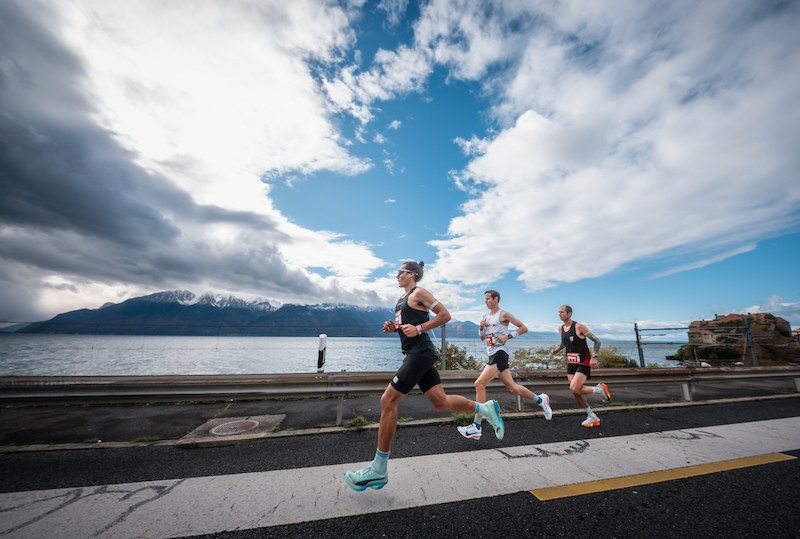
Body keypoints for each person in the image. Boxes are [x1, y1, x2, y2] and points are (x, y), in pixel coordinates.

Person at [344, 261, 506, 492]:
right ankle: (485, 409)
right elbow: (409, 326)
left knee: (387, 401)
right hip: (416, 353)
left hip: (420, 354)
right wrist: (395, 329)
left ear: (411, 274)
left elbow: (445, 315)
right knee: (441, 402)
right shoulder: (402, 300)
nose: (396, 276)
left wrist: (419, 329)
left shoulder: (419, 292)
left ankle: (378, 469)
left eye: (399, 272)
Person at [457, 290, 552, 440]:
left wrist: (508, 336)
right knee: (512, 388)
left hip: (499, 353)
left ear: (496, 299)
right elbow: (482, 338)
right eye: (485, 299)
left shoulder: (504, 315)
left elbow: (523, 328)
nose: (485, 302)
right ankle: (541, 400)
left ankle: (476, 425)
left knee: (479, 384)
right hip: (492, 354)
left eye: (488, 299)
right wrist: (481, 328)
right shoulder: (485, 317)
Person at [551, 305, 610, 427]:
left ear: (569, 313)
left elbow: (597, 341)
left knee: (574, 388)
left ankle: (599, 390)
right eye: (558, 312)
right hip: (571, 362)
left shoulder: (579, 327)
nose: (559, 314)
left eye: (562, 312)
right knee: (575, 391)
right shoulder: (560, 328)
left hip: (583, 361)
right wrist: (558, 349)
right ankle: (592, 416)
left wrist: (594, 357)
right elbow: (564, 342)